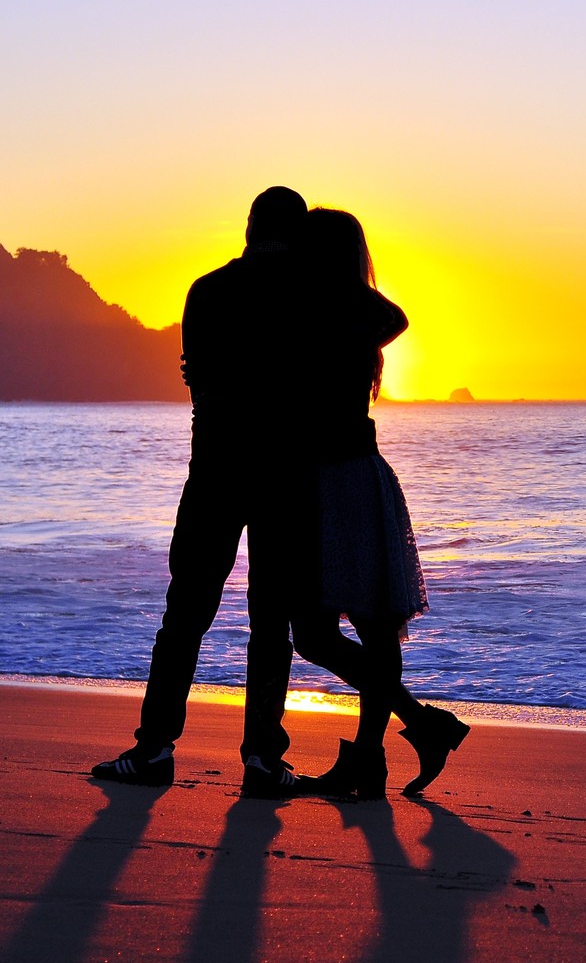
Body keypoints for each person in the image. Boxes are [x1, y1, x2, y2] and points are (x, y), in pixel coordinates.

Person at [91, 186, 317, 797]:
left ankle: (155, 748)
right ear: (296, 233)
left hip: (214, 470)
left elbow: (199, 379)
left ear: (246, 227)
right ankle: (263, 761)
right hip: (284, 478)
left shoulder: (207, 290)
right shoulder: (311, 294)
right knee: (271, 624)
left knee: (185, 614)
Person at [288, 207, 468, 798]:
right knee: (319, 634)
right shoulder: (326, 310)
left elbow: (394, 314)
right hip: (327, 482)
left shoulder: (332, 310)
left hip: (344, 482)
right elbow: (389, 314)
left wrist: (332, 285)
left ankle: (372, 756)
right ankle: (419, 724)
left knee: (362, 627)